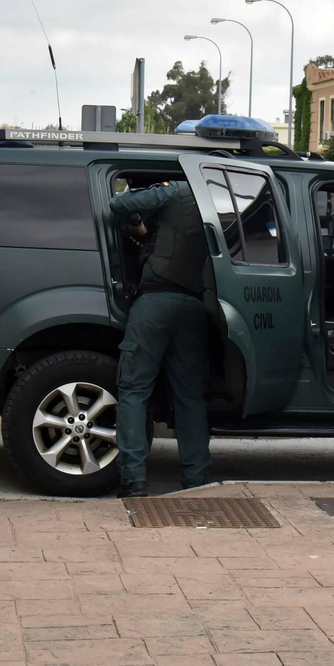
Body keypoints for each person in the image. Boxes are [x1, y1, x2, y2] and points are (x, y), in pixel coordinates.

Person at [108, 180, 214, 499]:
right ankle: (196, 480)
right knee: (190, 396)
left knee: (134, 389)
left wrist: (139, 206)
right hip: (195, 307)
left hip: (155, 303)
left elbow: (118, 205)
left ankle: (134, 479)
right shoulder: (223, 198)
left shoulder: (176, 191)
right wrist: (145, 231)